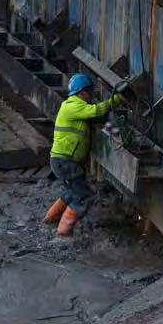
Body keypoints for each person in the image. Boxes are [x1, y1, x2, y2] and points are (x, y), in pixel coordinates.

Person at [44, 72, 121, 236]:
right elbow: (94, 111)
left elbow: (92, 117)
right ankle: (63, 232)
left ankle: (50, 219)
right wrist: (114, 101)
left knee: (72, 192)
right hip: (65, 162)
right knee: (83, 195)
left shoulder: (74, 107)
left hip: (63, 161)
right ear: (81, 92)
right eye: (90, 92)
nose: (92, 95)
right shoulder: (73, 105)